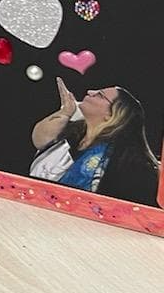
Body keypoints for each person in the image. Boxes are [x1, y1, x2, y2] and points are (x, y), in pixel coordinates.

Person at [30, 79, 160, 205]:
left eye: (100, 95)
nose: (90, 91)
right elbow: (40, 140)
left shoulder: (126, 161)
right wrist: (66, 111)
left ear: (111, 115)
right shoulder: (73, 132)